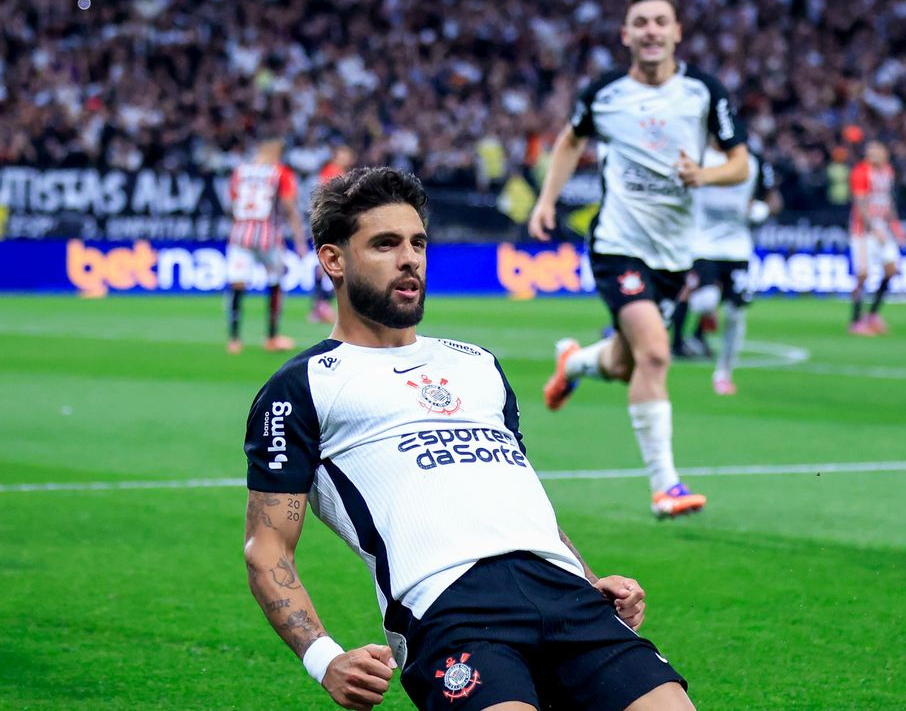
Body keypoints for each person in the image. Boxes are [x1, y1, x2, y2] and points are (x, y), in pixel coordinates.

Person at [243, 167, 693, 711]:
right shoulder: (302, 386)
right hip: (451, 608)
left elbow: (517, 495)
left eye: (417, 243)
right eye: (385, 244)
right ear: (333, 259)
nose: (409, 258)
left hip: (566, 594)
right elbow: (267, 548)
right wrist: (323, 657)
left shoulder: (477, 364)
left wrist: (591, 578)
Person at [528, 0, 750, 518]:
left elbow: (740, 162)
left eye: (660, 21)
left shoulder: (704, 92)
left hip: (676, 254)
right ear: (626, 34)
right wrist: (546, 201)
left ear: (677, 32)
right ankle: (666, 486)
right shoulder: (604, 93)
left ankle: (575, 362)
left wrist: (707, 173)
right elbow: (569, 140)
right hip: (618, 244)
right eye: (641, 22)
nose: (651, 31)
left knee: (629, 364)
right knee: (655, 353)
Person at [671, 146, 778, 395]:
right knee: (704, 301)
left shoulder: (753, 162)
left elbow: (770, 198)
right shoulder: (698, 156)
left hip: (738, 249)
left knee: (735, 315)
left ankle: (723, 374)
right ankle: (709, 310)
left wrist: (760, 210)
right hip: (703, 246)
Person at [226, 138, 307, 354]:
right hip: (268, 238)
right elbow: (290, 206)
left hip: (240, 236)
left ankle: (234, 340)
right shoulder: (280, 172)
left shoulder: (240, 171)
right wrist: (300, 240)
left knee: (237, 285)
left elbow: (232, 202)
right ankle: (271, 336)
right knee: (275, 282)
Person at [847, 140, 905, 336]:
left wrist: (895, 225)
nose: (872, 155)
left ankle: (872, 315)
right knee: (863, 275)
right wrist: (873, 228)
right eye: (870, 151)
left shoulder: (888, 171)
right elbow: (860, 203)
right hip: (863, 231)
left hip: (882, 226)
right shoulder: (861, 172)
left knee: (892, 269)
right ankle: (855, 321)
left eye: (876, 151)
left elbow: (887, 200)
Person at [309, 145, 357, 324]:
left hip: (331, 224)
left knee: (324, 267)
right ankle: (321, 306)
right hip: (331, 225)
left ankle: (318, 307)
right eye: (344, 152)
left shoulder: (339, 172)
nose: (348, 156)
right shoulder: (332, 173)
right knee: (329, 266)